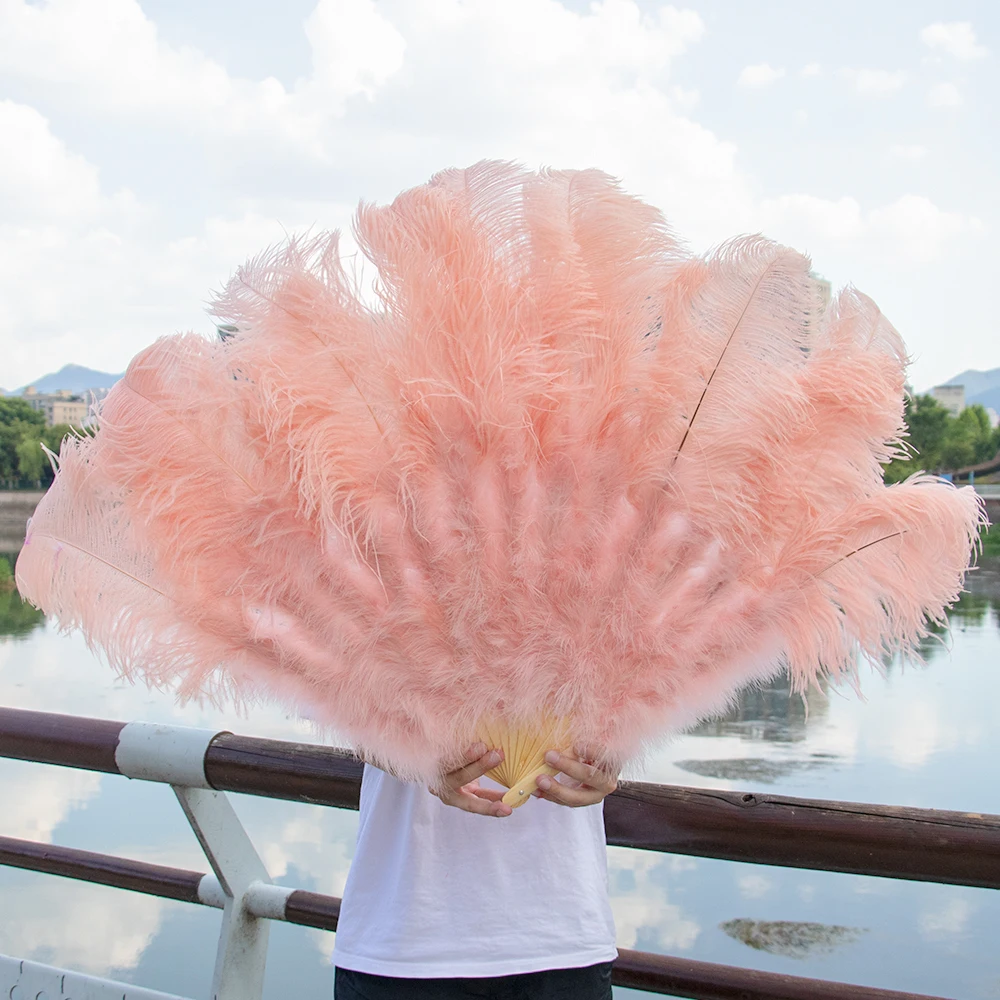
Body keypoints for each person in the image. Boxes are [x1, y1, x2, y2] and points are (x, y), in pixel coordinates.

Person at [333, 742, 620, 999]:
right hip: (402, 936)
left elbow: (636, 703)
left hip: (564, 935)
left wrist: (616, 754)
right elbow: (327, 701)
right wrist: (411, 756)